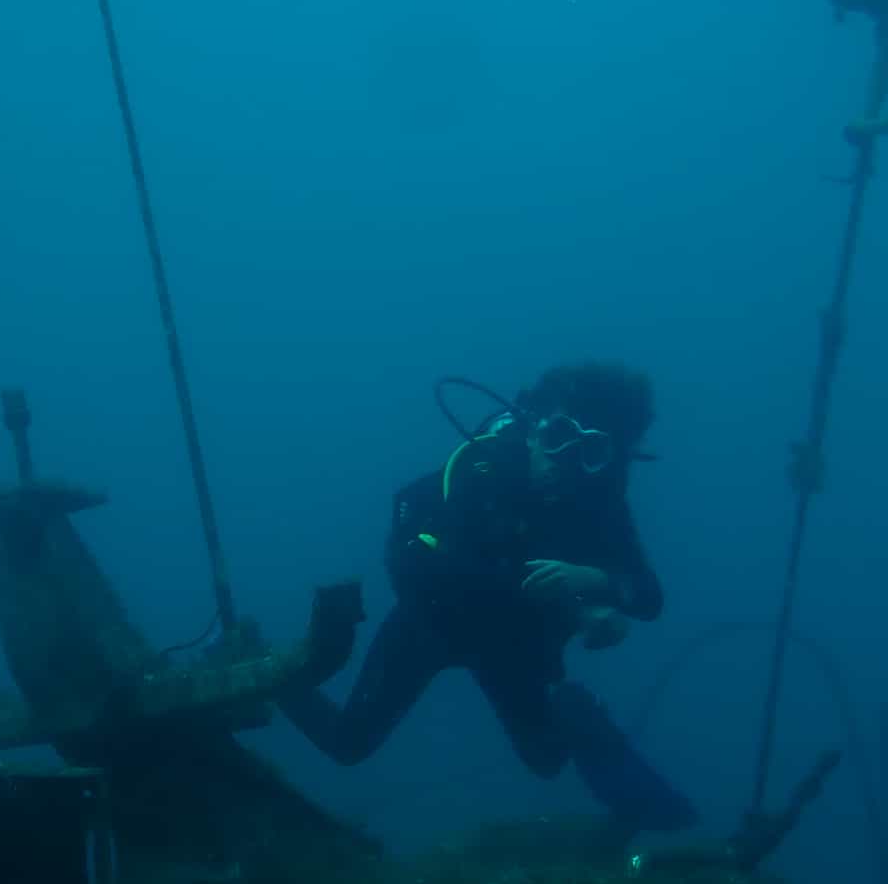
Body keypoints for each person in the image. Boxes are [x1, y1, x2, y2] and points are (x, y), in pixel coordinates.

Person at [282, 360, 697, 842]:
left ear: (608, 456)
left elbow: (649, 597)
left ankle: (582, 718)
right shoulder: (483, 467)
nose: (564, 461)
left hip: (512, 644)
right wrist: (578, 607)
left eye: (590, 450)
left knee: (547, 761)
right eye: (557, 435)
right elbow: (412, 564)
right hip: (432, 625)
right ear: (532, 426)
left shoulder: (600, 502)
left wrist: (597, 580)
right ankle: (272, 677)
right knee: (347, 743)